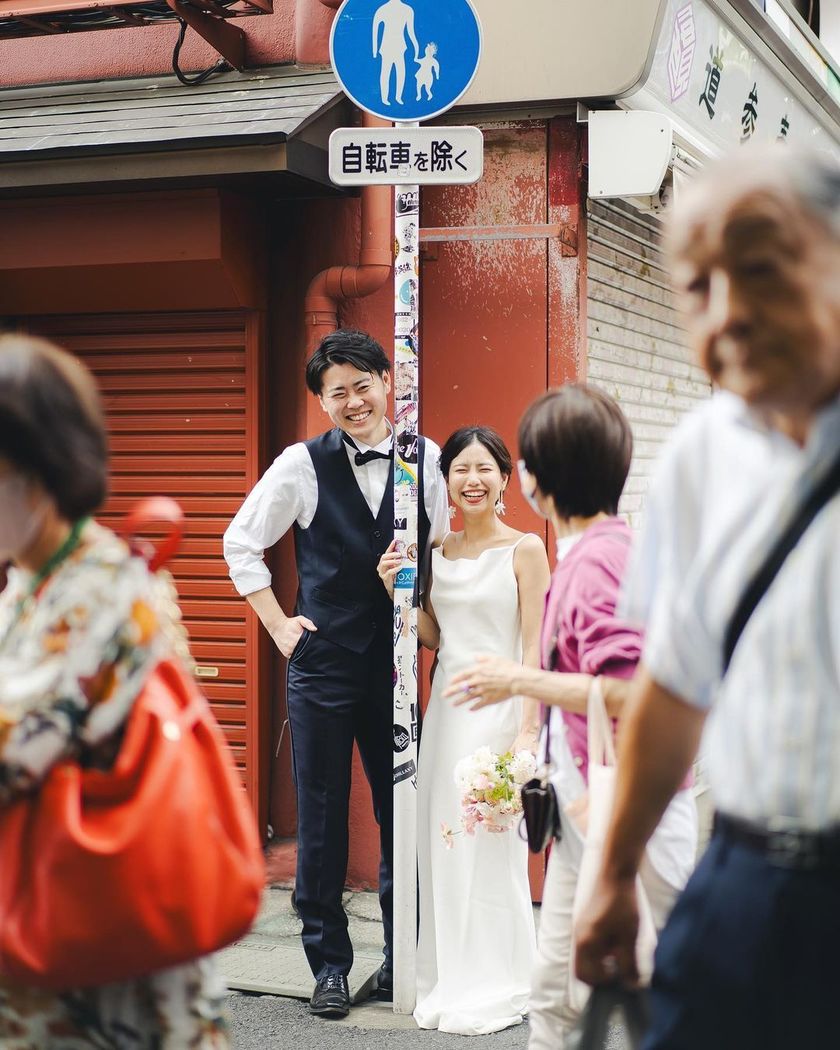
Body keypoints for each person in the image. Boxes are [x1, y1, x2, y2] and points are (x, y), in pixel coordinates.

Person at [574, 147, 840, 1050]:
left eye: (760, 270)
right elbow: (676, 684)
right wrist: (613, 876)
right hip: (742, 888)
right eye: (696, 287)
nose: (726, 315)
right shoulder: (699, 455)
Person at [445, 386, 697, 1049]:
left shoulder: (594, 565)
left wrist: (516, 680)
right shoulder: (611, 546)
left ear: (532, 477)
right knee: (554, 992)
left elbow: (637, 690)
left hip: (628, 806)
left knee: (663, 985)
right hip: (591, 803)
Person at [0, 335, 229, 1048]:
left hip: (97, 946)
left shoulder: (100, 586)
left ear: (37, 465)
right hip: (54, 922)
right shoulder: (30, 581)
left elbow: (17, 755)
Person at [223, 329, 447, 1018]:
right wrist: (279, 627)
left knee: (400, 813)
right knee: (320, 818)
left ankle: (400, 959)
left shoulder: (424, 457)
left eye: (362, 384)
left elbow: (439, 549)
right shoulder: (299, 464)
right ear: (322, 402)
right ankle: (328, 965)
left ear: (387, 381)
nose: (352, 401)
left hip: (397, 664)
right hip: (321, 667)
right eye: (336, 392)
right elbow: (240, 541)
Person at [377, 425, 550, 1035]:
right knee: (444, 846)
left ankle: (501, 976)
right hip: (446, 717)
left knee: (488, 846)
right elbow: (435, 636)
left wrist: (528, 732)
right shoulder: (434, 551)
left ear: (503, 477)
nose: (471, 481)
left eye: (483, 469)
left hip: (499, 715)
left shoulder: (525, 549)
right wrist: (396, 590)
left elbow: (536, 647)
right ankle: (448, 974)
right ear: (444, 480)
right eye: (459, 470)